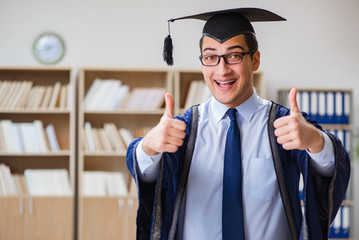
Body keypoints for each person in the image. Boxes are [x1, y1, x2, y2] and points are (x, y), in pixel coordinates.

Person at [126, 8, 350, 240]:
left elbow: (329, 170)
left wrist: (315, 140)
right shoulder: (184, 131)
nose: (222, 70)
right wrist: (149, 146)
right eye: (211, 57)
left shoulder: (284, 126)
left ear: (255, 60)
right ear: (202, 64)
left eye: (234, 56)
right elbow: (149, 178)